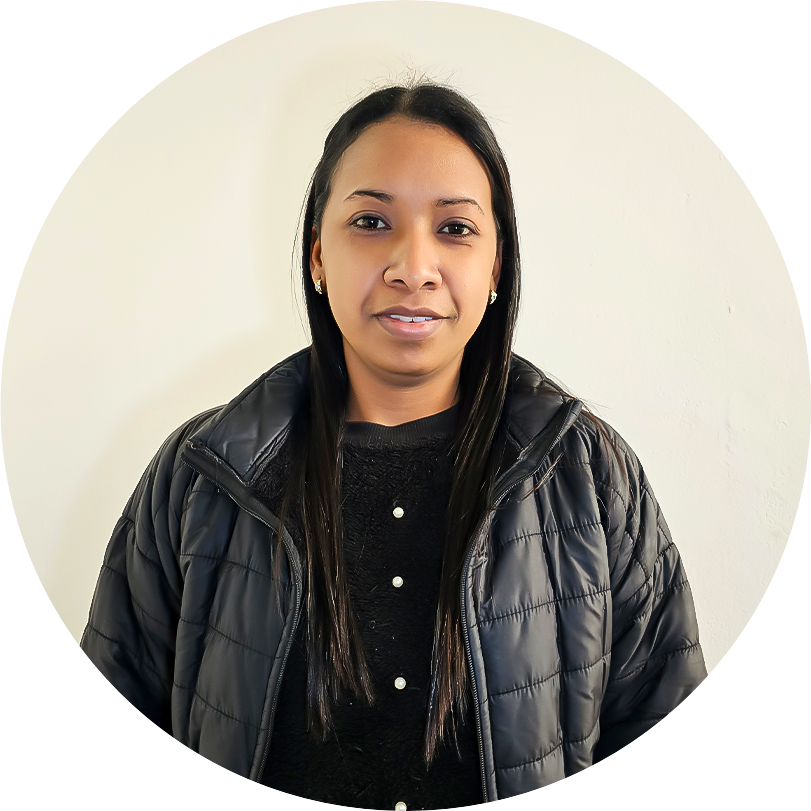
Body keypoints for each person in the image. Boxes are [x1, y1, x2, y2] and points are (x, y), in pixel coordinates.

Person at [80, 79, 707, 809]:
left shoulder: (589, 475)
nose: (413, 266)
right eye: (372, 221)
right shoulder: (204, 476)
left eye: (455, 228)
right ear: (318, 255)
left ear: (496, 265)